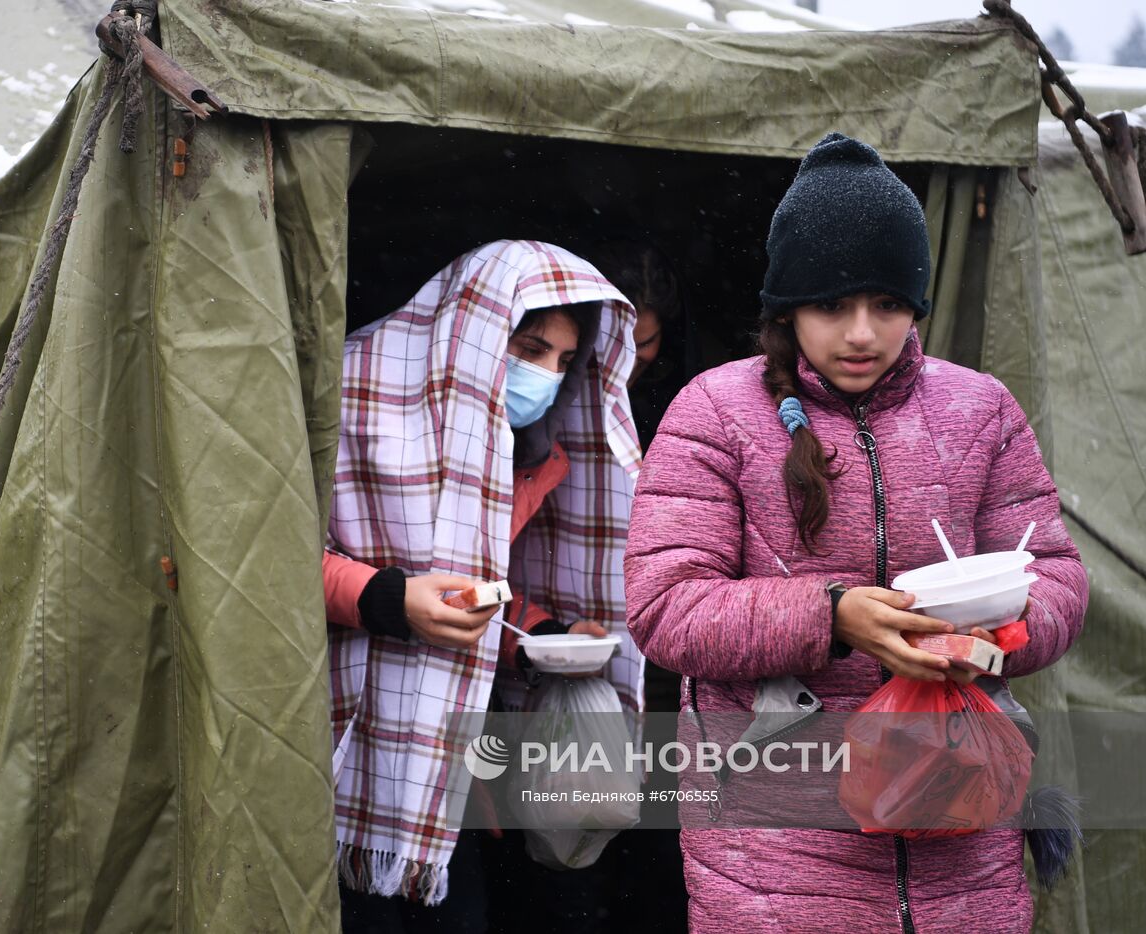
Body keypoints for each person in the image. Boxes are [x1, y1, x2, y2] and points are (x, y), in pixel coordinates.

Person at [624, 133, 1088, 932]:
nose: (862, 333)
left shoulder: (981, 410)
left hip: (963, 832)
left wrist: (995, 634)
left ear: (917, 306)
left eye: (887, 304)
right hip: (778, 853)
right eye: (831, 305)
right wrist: (832, 616)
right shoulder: (715, 412)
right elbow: (665, 605)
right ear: (787, 309)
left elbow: (1056, 573)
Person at [322, 239, 644, 930]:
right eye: (528, 348)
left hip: (447, 756)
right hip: (341, 742)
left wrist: (542, 639)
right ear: (471, 327)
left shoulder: (532, 453)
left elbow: (475, 588)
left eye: (563, 362)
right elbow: (258, 561)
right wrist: (383, 597)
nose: (545, 377)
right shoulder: (348, 391)